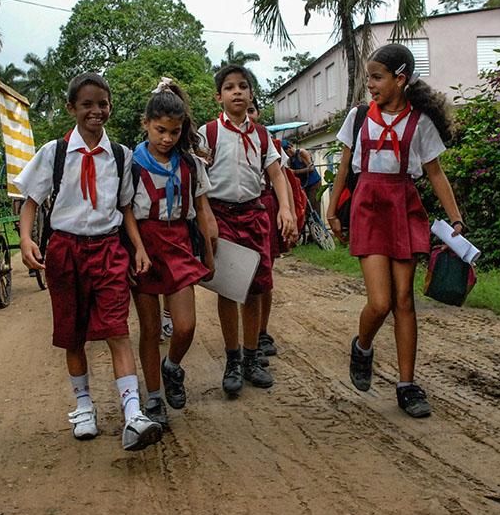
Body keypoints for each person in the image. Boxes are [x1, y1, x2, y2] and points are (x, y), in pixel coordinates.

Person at [16, 72, 162, 452]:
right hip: (65, 251)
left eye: (102, 104)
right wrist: (26, 239)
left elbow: (125, 207)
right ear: (71, 108)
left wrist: (138, 247)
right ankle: (83, 406)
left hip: (109, 250)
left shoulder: (121, 156)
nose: (96, 111)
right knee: (73, 332)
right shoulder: (55, 152)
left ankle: (133, 413)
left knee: (117, 329)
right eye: (87, 104)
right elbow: (31, 201)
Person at [325, 44, 463, 419]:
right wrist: (333, 210)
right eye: (368, 77)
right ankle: (362, 345)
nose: (370, 84)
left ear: (400, 79)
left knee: (404, 300)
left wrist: (456, 219)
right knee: (380, 302)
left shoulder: (420, 123)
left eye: (377, 77)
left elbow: (436, 174)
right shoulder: (358, 118)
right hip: (368, 208)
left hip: (404, 207)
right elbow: (343, 168)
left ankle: (407, 385)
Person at [199, 65, 297, 396]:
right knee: (229, 290)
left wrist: (285, 208)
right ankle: (232, 360)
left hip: (254, 215)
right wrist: (205, 218)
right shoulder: (208, 133)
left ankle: (252, 357)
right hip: (221, 217)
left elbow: (277, 174)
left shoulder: (262, 135)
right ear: (219, 96)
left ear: (251, 94)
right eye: (229, 87)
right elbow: (197, 177)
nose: (237, 92)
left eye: (243, 86)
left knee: (255, 289)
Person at [130, 78, 217, 427]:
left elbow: (203, 211)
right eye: (160, 130)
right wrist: (135, 248)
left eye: (174, 132)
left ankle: (172, 366)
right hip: (144, 247)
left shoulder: (191, 165)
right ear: (146, 124)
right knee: (150, 329)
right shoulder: (131, 164)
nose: (167, 138)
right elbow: (124, 211)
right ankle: (153, 397)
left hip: (180, 243)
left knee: (185, 325)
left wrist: (209, 252)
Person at [247, 100, 298, 359]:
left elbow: (282, 178)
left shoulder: (270, 143)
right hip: (239, 207)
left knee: (265, 275)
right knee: (241, 278)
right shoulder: (220, 137)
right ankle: (245, 338)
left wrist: (289, 212)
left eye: (252, 110)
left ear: (258, 113)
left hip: (266, 205)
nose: (248, 115)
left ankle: (261, 332)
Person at [283, 140, 322, 217]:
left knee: (314, 207)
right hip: (304, 186)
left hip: (314, 183)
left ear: (289, 148)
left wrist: (295, 172)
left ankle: (317, 223)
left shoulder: (301, 153)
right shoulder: (290, 160)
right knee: (306, 208)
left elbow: (311, 168)